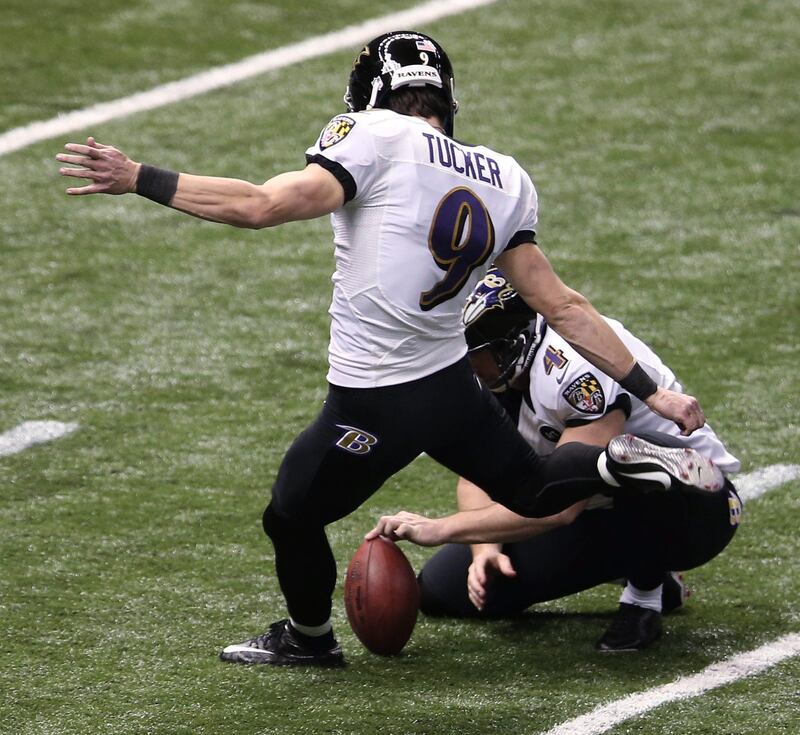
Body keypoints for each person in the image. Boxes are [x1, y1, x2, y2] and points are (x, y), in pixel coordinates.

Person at [56, 31, 722, 667]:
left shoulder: (370, 134)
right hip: (451, 392)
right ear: (443, 99)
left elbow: (263, 204)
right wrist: (652, 392)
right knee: (534, 490)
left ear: (369, 95)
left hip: (375, 397)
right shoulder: (504, 175)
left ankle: (310, 639)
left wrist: (140, 175)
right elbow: (564, 305)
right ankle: (613, 464)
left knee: (290, 513)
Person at [370, 268, 743, 651]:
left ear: (510, 344)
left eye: (470, 353)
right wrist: (485, 550)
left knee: (629, 461)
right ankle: (641, 574)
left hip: (695, 507)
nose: (461, 365)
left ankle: (643, 597)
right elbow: (477, 476)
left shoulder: (578, 370)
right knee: (441, 590)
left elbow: (563, 501)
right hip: (595, 514)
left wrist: (441, 529)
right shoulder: (489, 379)